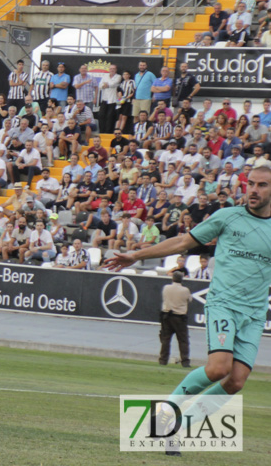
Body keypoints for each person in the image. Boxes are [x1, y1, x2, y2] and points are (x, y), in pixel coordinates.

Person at [105, 166, 271, 457]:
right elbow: (182, 242)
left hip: (255, 314)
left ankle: (177, 430)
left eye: (262, 185)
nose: (254, 190)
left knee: (235, 382)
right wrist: (135, 255)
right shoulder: (228, 217)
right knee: (219, 368)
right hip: (224, 304)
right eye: (251, 184)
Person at [160, 270, 192, 368]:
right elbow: (189, 300)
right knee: (183, 340)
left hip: (166, 315)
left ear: (173, 278)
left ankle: (163, 360)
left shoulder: (166, 288)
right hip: (179, 317)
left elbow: (164, 298)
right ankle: (185, 361)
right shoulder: (185, 290)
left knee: (165, 339)